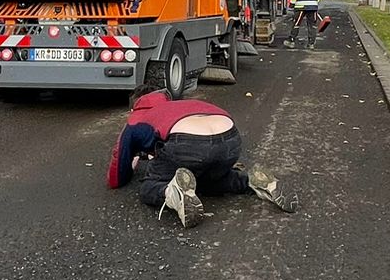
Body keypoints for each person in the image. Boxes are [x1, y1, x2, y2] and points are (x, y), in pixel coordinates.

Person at [107, 90, 293, 226]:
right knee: (204, 180)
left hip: (189, 144)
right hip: (230, 138)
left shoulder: (137, 118)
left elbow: (116, 176)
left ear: (135, 107)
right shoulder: (180, 105)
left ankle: (172, 193)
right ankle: (251, 182)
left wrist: (130, 166)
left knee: (148, 187)